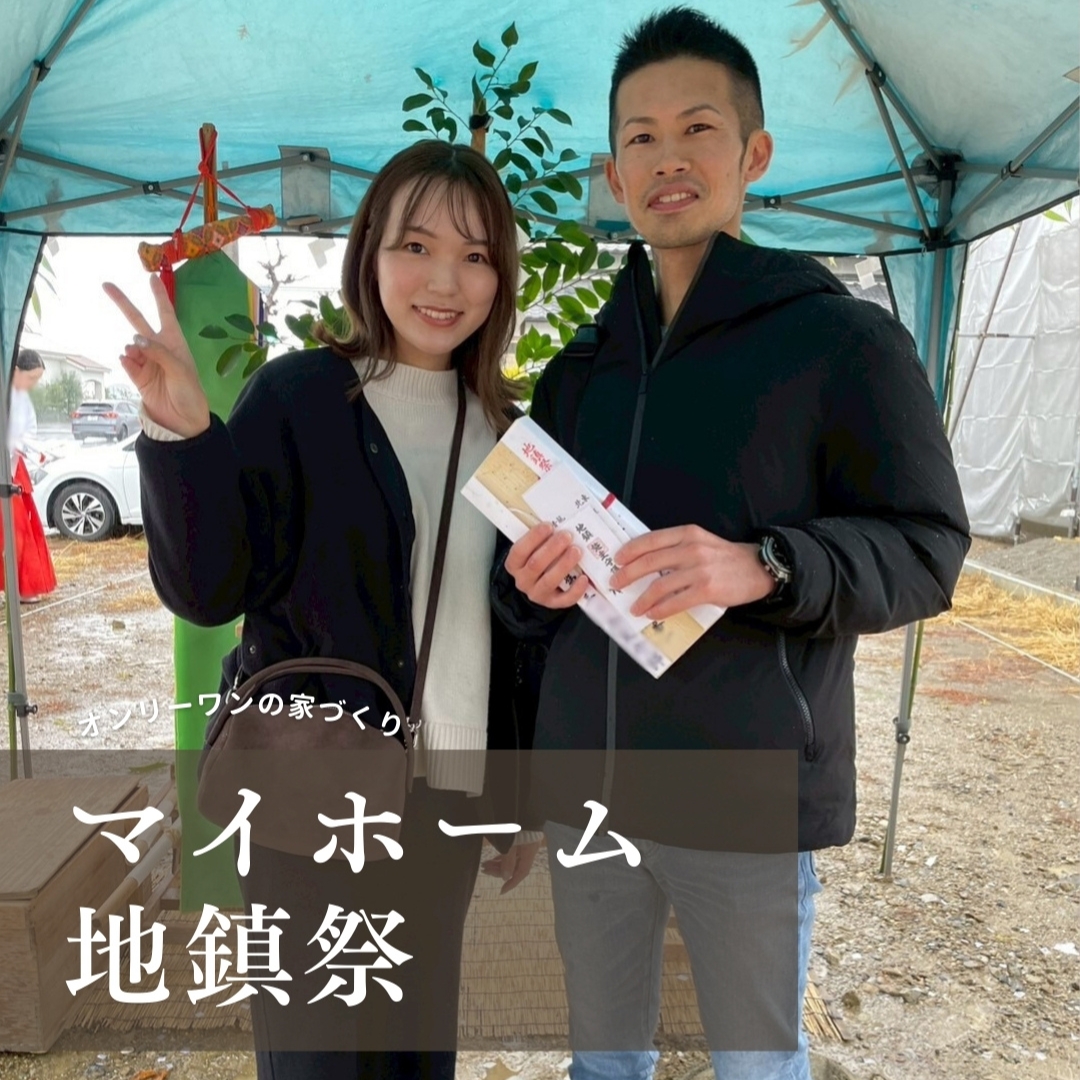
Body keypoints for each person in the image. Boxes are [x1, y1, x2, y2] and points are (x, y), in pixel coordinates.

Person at [493, 8, 971, 1080]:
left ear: (753, 153)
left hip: (742, 799)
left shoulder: (839, 341)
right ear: (613, 175)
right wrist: (527, 585)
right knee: (602, 1061)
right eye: (641, 137)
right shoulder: (579, 373)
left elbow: (929, 547)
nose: (669, 158)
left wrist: (769, 564)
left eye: (697, 128)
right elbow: (523, 591)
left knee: (755, 1064)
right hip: (589, 795)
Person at [104, 139, 542, 1080]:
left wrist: (521, 804)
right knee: (315, 1054)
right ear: (369, 252)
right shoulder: (300, 396)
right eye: (415, 246)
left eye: (475, 255)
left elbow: (513, 639)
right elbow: (210, 590)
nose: (444, 281)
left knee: (416, 1051)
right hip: (314, 790)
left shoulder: (512, 435)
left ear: (500, 278)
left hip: (449, 803)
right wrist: (183, 435)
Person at [1, 348, 57, 604]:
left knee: (21, 529)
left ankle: (22, 585)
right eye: (31, 377)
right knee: (11, 529)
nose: (33, 384)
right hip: (6, 464)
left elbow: (27, 434)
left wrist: (38, 450)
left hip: (14, 466)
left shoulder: (21, 398)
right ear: (16, 371)